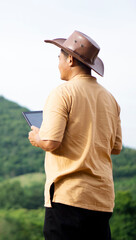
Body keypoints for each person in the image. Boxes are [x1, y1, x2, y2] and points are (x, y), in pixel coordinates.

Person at [28, 30, 122, 240]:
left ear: (70, 59)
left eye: (58, 58)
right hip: (102, 199)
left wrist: (37, 138)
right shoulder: (111, 99)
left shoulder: (63, 92)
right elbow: (116, 147)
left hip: (68, 197)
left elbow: (51, 141)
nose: (57, 63)